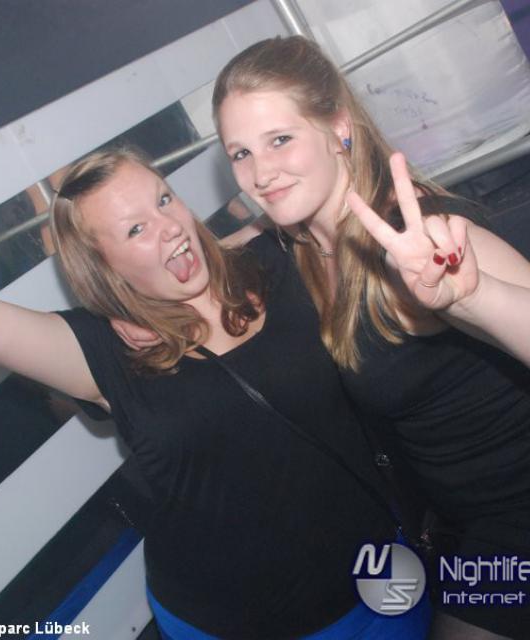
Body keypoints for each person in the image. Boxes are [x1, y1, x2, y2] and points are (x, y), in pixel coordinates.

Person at [0, 147, 431, 639]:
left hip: (375, 578)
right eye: (135, 230)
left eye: (164, 199)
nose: (170, 227)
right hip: (230, 621)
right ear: (104, 268)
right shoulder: (104, 351)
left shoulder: (273, 262)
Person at [209, 35, 530, 640]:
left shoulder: (419, 237)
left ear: (338, 126)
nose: (261, 173)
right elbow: (223, 252)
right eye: (241, 153)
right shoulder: (301, 246)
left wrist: (472, 296)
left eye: (280, 140)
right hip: (459, 522)